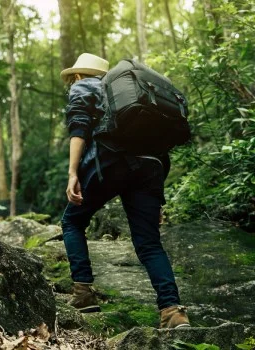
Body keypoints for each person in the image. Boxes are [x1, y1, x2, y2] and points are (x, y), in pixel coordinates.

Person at [59, 53, 190, 328]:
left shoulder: (85, 86)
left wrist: (73, 173)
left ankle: (83, 294)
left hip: (111, 161)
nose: (72, 82)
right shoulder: (134, 92)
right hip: (150, 168)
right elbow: (161, 151)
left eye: (73, 78)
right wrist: (158, 201)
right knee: (149, 243)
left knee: (72, 221)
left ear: (79, 75)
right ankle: (173, 311)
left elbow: (79, 129)